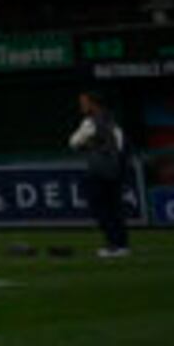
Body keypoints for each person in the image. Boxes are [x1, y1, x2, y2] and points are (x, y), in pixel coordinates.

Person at [71, 90, 134, 257]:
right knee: (114, 208)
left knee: (102, 209)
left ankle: (113, 245)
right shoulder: (113, 120)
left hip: (99, 170)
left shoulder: (91, 122)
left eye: (84, 102)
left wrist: (90, 145)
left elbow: (74, 142)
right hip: (115, 170)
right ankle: (121, 245)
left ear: (93, 103)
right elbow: (122, 145)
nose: (82, 105)